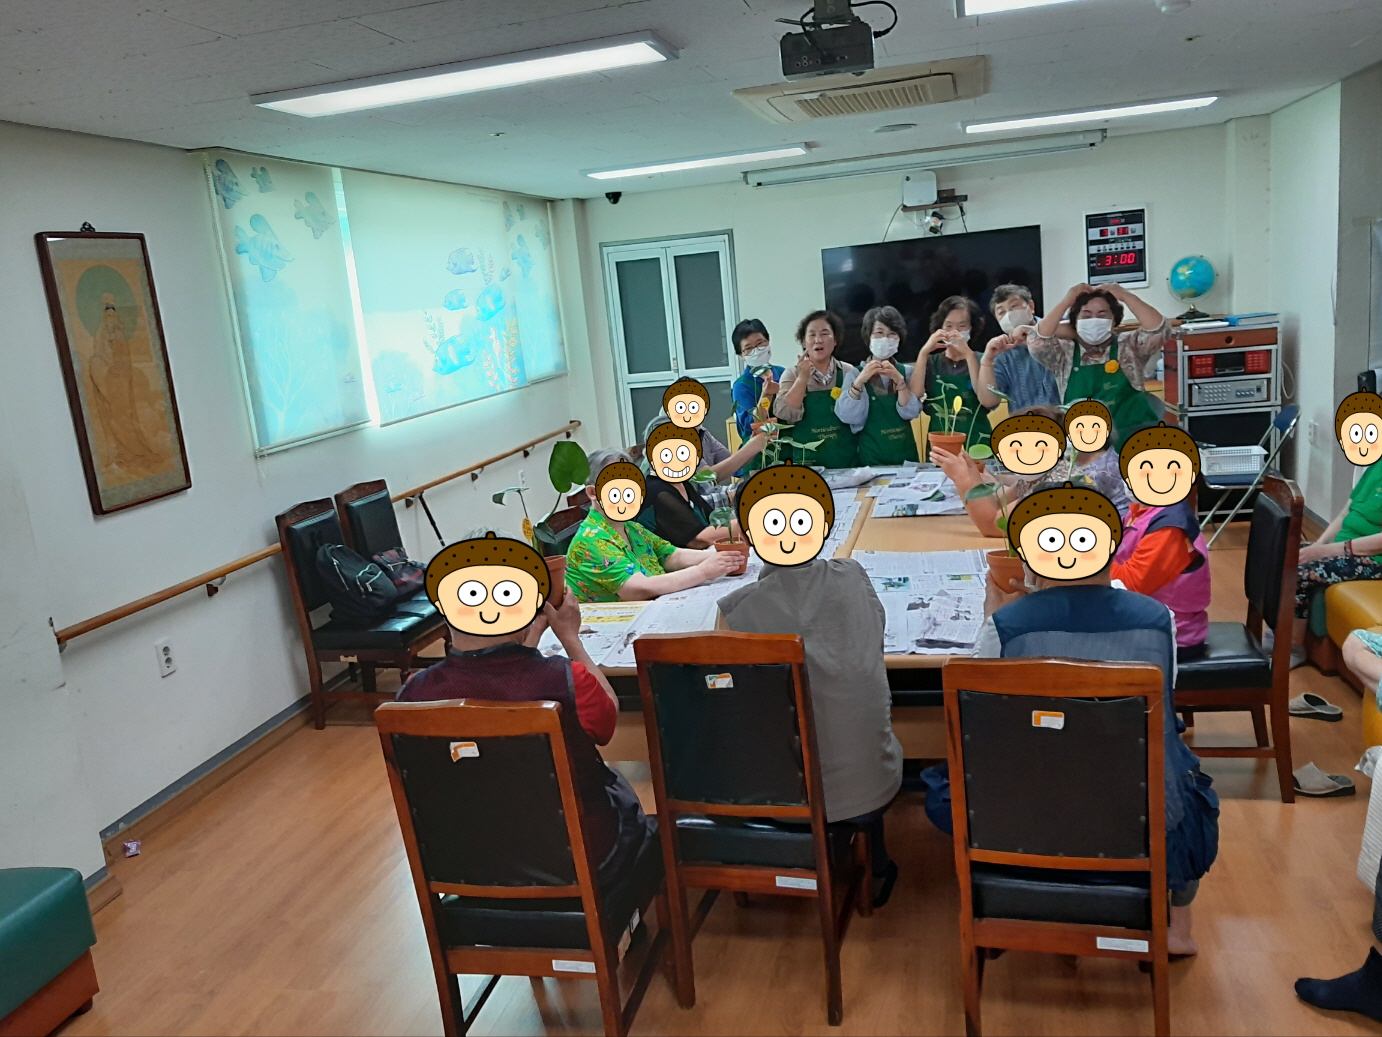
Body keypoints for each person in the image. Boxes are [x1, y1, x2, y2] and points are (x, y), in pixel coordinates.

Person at [926, 483, 1219, 955]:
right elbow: (1164, 703)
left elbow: (978, 712)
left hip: (1031, 808)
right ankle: (1178, 928)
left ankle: (1009, 896)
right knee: (1181, 775)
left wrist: (991, 615)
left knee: (948, 784)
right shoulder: (1156, 619)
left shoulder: (1008, 625)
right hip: (1140, 811)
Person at [401, 531, 655, 884]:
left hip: (467, 867)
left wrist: (528, 641)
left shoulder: (413, 696)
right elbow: (607, 718)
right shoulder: (566, 680)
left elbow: (498, 677)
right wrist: (570, 638)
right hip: (579, 861)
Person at [719, 462, 903, 906]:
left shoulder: (737, 610)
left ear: (744, 534)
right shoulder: (853, 577)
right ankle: (875, 863)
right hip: (870, 784)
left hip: (776, 794)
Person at [564, 448, 741, 603]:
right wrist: (703, 571)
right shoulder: (590, 540)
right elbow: (638, 589)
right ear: (593, 492)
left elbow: (672, 556)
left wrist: (726, 557)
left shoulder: (632, 528)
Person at [933, 404, 1130, 539]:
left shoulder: (1062, 482)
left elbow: (993, 526)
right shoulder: (1044, 470)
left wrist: (963, 479)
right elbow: (1001, 503)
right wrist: (971, 473)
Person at [1027, 281, 1169, 450]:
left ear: (1114, 320)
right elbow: (1037, 341)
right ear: (1075, 322)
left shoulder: (1129, 345)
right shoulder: (1063, 353)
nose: (1094, 321)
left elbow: (1160, 330)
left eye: (1102, 315)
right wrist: (1066, 301)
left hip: (1137, 443)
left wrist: (1124, 295)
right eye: (1086, 316)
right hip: (1087, 449)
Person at [1114, 423, 1210, 658]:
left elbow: (1131, 585)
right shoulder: (1143, 511)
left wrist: (1089, 560)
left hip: (1168, 635)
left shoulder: (1170, 527)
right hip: (1144, 619)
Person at [834, 305, 922, 466]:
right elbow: (848, 417)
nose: (885, 339)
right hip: (871, 458)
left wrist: (900, 383)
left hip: (906, 457)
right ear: (869, 337)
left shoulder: (907, 372)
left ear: (899, 339)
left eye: (892, 334)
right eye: (879, 333)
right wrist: (859, 382)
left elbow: (911, 413)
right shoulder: (854, 374)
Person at [773, 310, 860, 469]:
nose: (818, 340)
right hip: (808, 466)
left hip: (846, 462)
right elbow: (784, 413)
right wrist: (802, 378)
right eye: (812, 335)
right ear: (803, 342)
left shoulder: (849, 372)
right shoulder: (791, 374)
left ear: (835, 340)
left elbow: (860, 416)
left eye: (825, 333)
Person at [910, 296, 993, 459]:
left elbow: (985, 398)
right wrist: (924, 352)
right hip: (941, 444)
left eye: (962, 326)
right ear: (939, 328)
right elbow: (915, 394)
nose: (955, 332)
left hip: (977, 442)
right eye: (948, 326)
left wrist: (968, 355)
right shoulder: (932, 362)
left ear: (972, 328)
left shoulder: (983, 360)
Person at [640, 421, 741, 549]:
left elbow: (712, 519)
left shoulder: (682, 484)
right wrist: (751, 521)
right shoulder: (658, 492)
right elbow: (699, 539)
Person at [976, 284, 1062, 412]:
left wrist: (1035, 336)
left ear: (1031, 307)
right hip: (1025, 423)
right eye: (1001, 312)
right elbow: (989, 401)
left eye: (1014, 306)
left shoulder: (1060, 332)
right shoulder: (1002, 353)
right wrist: (987, 361)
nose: (1009, 315)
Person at [730, 318, 784, 445]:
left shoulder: (783, 373)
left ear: (768, 341)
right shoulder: (742, 386)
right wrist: (766, 395)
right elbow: (750, 426)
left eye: (760, 343)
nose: (756, 350)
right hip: (762, 450)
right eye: (748, 348)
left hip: (788, 445)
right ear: (741, 355)